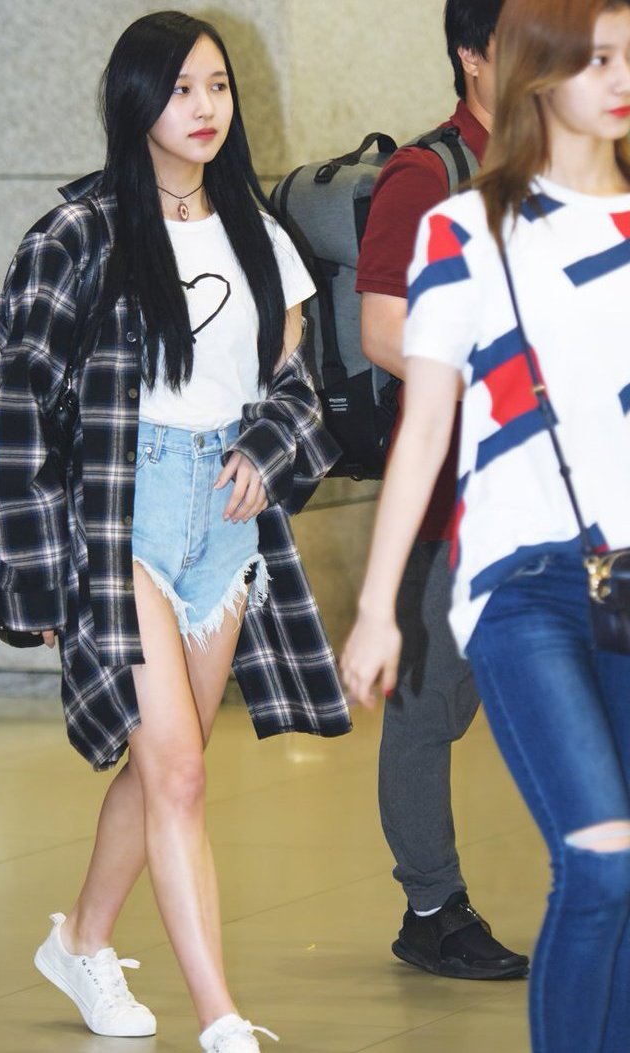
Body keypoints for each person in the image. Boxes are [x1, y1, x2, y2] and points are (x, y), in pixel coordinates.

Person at [0, 11, 352, 1053]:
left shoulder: (258, 233)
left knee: (162, 769)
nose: (204, 107)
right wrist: (35, 578)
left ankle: (81, 940)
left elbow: (297, 388)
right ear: (136, 100)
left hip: (221, 525)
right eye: (181, 89)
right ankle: (219, 1016)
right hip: (117, 516)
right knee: (177, 770)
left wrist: (266, 448)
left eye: (217, 86)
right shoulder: (77, 234)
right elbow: (17, 413)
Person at [342, 0, 630, 1048]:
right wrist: (376, 607)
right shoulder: (459, 223)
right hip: (519, 581)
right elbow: (423, 427)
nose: (620, 78)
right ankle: (441, 909)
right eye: (597, 58)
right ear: (531, 68)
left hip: (625, 568)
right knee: (599, 858)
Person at [356, 0, 528, 980]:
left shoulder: (572, 166)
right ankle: (431, 906)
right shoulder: (425, 176)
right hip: (455, 495)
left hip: (566, 498)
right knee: (427, 707)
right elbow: (385, 332)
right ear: (471, 56)